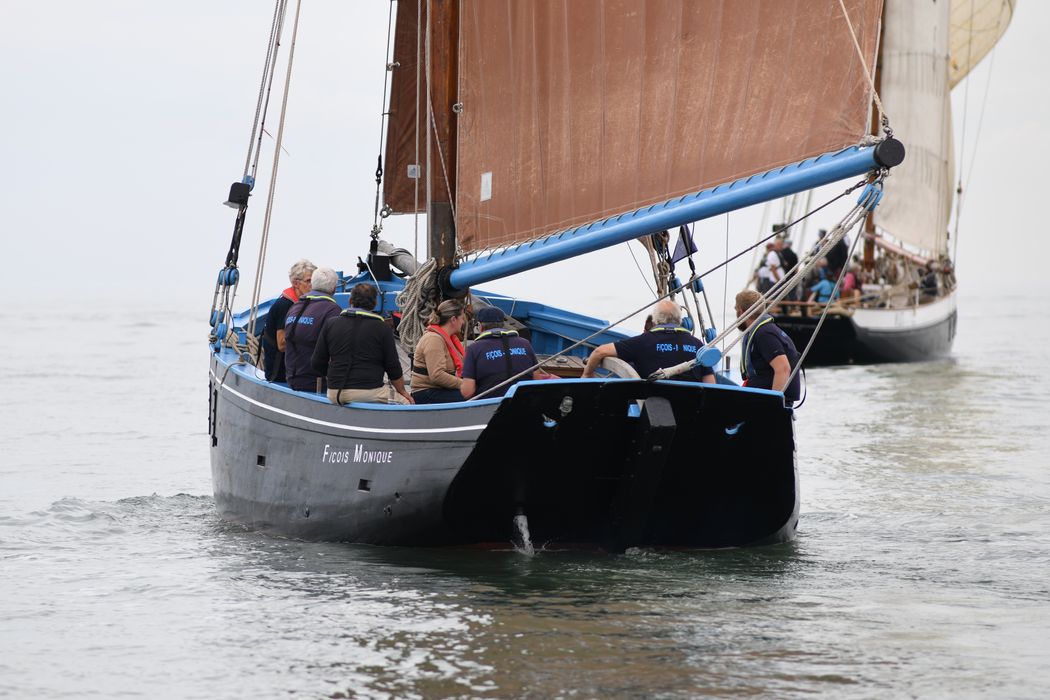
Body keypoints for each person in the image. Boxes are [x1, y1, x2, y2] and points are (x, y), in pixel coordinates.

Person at [312, 283, 413, 405]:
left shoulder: (331, 324)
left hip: (335, 392)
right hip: (368, 392)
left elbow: (317, 363)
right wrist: (402, 392)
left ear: (350, 301)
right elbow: (393, 367)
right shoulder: (382, 328)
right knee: (406, 404)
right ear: (375, 304)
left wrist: (334, 378)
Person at [581, 300, 716, 383]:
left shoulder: (642, 342)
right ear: (681, 320)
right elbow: (710, 385)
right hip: (690, 411)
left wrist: (587, 374)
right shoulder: (698, 345)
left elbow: (600, 352)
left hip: (653, 410)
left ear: (655, 320)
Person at [461, 307, 547, 399]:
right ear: (503, 325)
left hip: (491, 405)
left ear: (479, 326)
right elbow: (537, 380)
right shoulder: (525, 343)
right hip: (522, 402)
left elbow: (467, 393)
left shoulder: (473, 349)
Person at [734, 289, 801, 405]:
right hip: (758, 397)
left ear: (741, 311)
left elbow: (783, 369)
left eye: (736, 310)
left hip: (768, 403)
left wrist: (773, 405)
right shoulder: (761, 330)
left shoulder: (764, 334)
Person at [284, 267, 343, 392]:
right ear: (334, 289)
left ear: (313, 284)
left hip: (291, 379)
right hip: (315, 385)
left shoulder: (295, 307)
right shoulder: (333, 311)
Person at [261, 259, 315, 382]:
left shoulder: (302, 303)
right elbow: (282, 344)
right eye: (308, 281)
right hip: (279, 373)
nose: (312, 285)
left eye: (314, 281)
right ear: (296, 283)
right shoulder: (285, 306)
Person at [410, 299, 468, 404]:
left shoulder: (447, 339)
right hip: (426, 393)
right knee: (473, 396)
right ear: (453, 319)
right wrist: (464, 384)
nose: (463, 322)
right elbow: (437, 375)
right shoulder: (434, 339)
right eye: (462, 318)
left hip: (438, 390)